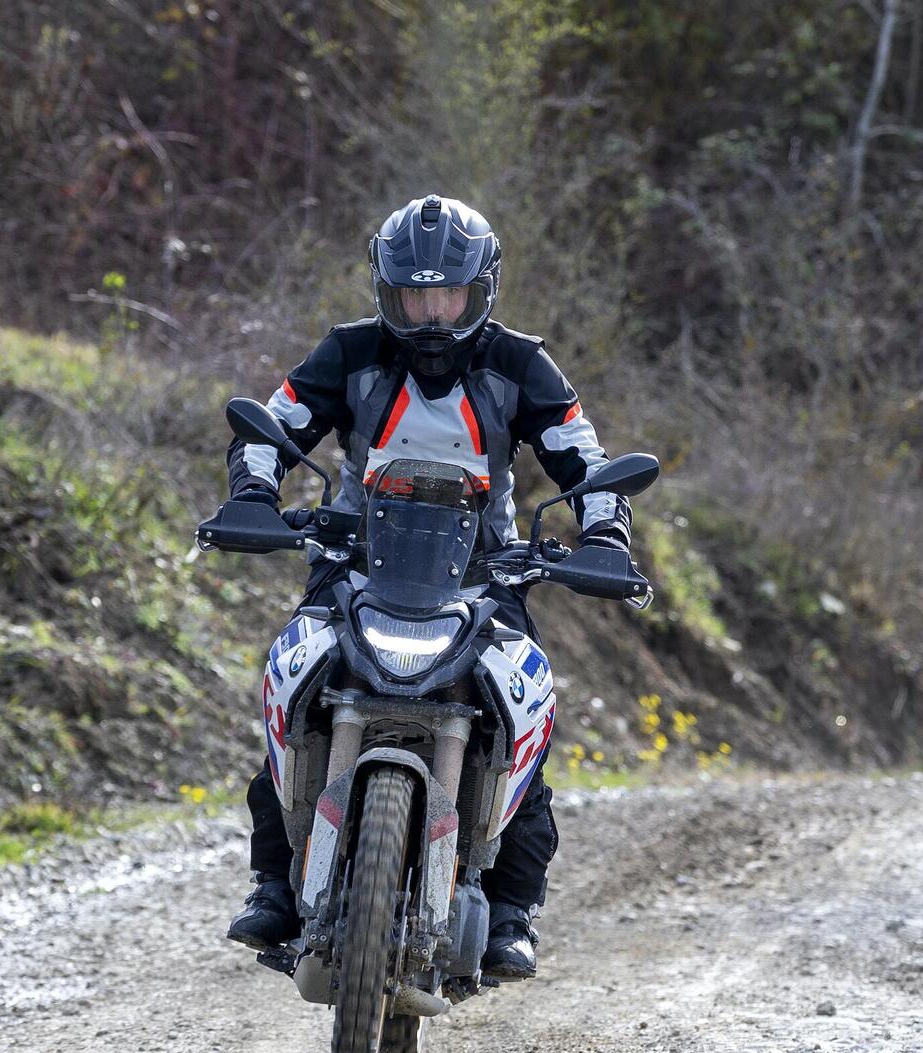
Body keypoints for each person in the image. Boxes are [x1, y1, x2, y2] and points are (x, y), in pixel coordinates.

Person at [223, 195, 633, 979]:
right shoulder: (348, 353)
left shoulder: (520, 363)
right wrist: (252, 494)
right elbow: (272, 427)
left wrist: (605, 532)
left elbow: (584, 454)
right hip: (352, 558)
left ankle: (511, 913)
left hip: (486, 571)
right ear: (387, 291)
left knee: (525, 722)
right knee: (293, 696)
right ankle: (274, 883)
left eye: (448, 295)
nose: (433, 315)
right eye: (415, 296)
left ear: (482, 290)